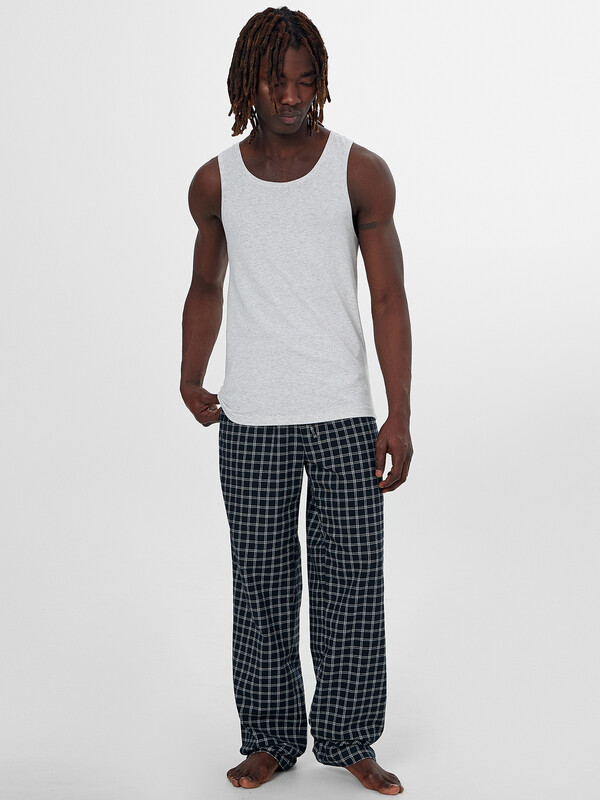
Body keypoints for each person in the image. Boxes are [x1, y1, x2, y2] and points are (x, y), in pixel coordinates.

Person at [180, 6, 412, 795]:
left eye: (306, 81)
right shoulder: (215, 181)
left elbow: (389, 298)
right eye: (276, 80)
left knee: (352, 586)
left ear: (322, 83)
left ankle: (349, 739)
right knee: (262, 588)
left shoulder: (360, 172)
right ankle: (271, 739)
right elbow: (204, 285)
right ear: (249, 82)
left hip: (343, 413)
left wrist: (399, 412)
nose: (291, 95)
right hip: (251, 419)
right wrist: (190, 374)